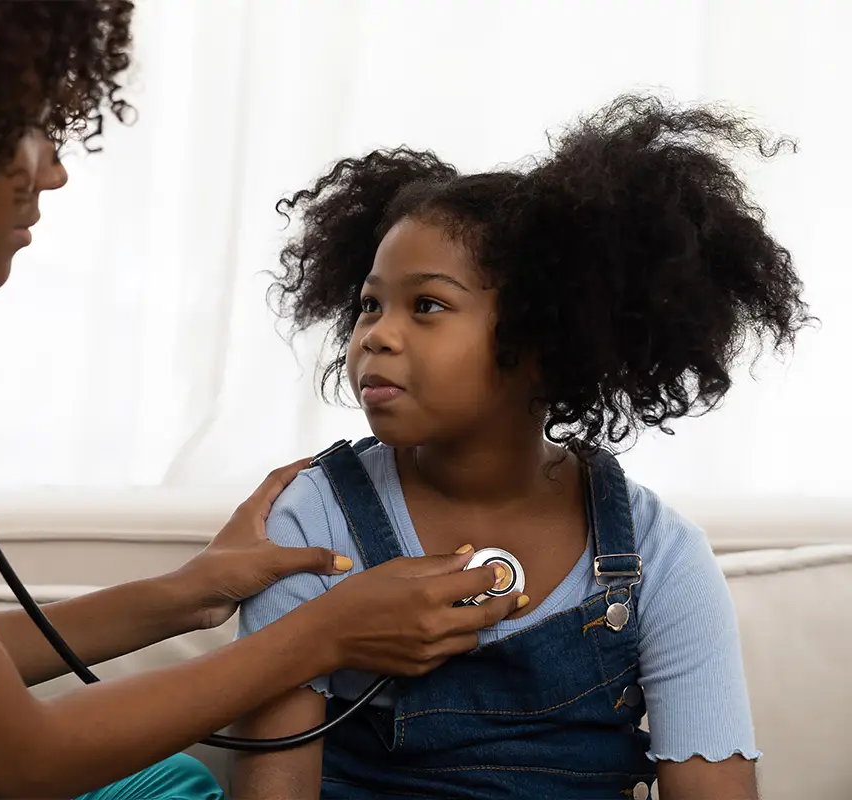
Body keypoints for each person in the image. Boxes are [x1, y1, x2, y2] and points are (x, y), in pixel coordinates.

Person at [0, 3, 527, 799]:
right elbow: (20, 763)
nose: (55, 170)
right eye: (25, 126)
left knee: (158, 787)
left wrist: (187, 594)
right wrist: (323, 636)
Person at [232, 95, 811, 800]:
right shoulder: (310, 524)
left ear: (544, 340)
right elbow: (272, 789)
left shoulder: (659, 556)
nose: (375, 335)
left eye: (427, 306)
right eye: (369, 305)